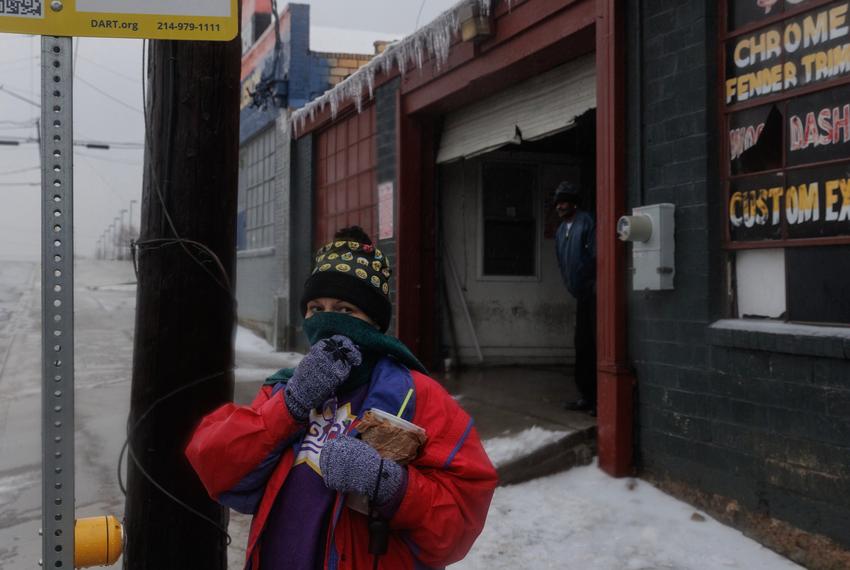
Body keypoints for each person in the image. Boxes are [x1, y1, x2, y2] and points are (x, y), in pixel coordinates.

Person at [186, 226, 498, 570]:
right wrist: (289, 407)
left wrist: (392, 486)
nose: (328, 320)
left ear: (374, 322)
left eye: (346, 310)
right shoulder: (285, 388)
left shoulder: (419, 396)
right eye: (316, 308)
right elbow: (213, 464)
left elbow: (461, 520)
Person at [553, 181, 597, 416]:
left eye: (565, 201)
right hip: (580, 294)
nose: (560, 206)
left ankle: (598, 400)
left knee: (593, 344)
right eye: (558, 202)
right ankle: (586, 396)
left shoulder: (588, 222)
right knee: (581, 346)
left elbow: (595, 257)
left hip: (594, 293)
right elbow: (562, 262)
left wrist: (592, 285)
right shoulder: (561, 231)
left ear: (574, 203)